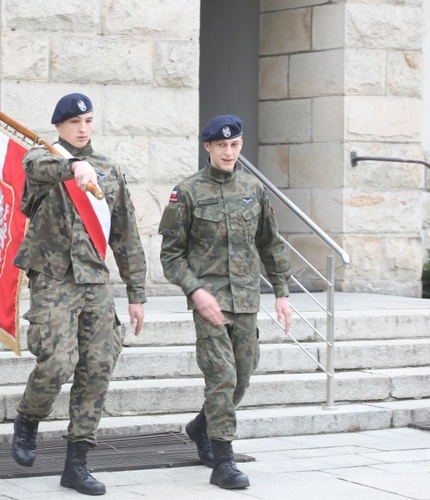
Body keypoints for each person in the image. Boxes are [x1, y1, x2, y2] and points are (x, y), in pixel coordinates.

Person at [10, 92, 147, 496]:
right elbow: (39, 166)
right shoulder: (42, 159)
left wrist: (136, 292)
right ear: (59, 126)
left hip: (95, 282)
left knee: (99, 365)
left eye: (88, 122)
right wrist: (73, 165)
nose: (83, 129)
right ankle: (28, 419)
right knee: (57, 362)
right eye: (74, 123)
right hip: (53, 277)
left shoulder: (108, 169)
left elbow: (125, 234)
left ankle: (77, 462)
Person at [158, 114, 292, 490]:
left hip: (247, 300)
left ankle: (200, 427)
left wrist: (281, 292)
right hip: (210, 303)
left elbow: (270, 243)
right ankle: (224, 461)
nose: (229, 151)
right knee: (222, 378)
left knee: (242, 379)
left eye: (234, 145)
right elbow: (170, 255)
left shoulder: (254, 189)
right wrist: (195, 291)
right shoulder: (185, 192)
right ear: (208, 148)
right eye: (221, 145)